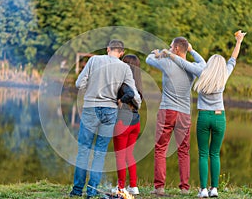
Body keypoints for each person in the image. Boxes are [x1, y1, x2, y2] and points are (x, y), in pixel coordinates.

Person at [162, 31, 246, 198]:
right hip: (219, 117)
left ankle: (203, 190)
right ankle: (214, 188)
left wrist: (169, 54)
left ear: (210, 65)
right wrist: (239, 41)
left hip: (204, 117)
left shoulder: (202, 73)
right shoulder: (225, 74)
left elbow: (182, 62)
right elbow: (233, 58)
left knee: (203, 154)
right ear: (221, 66)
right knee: (215, 153)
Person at [69, 40, 141, 198]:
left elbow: (79, 83)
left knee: (83, 150)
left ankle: (76, 190)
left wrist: (91, 87)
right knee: (100, 152)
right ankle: (92, 191)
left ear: (108, 49)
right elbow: (134, 94)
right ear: (121, 52)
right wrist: (128, 103)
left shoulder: (94, 60)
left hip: (90, 109)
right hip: (110, 111)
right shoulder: (124, 68)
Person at [145, 37, 206, 195]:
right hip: (184, 113)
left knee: (160, 148)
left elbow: (148, 59)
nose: (169, 48)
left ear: (177, 49)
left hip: (167, 111)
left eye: (171, 46)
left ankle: (159, 187)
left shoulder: (167, 63)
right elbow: (204, 65)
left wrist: (159, 54)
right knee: (184, 150)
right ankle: (184, 188)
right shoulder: (193, 68)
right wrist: (192, 50)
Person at [111, 54, 143, 195]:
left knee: (120, 156)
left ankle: (121, 187)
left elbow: (128, 95)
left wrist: (120, 101)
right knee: (129, 155)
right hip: (135, 122)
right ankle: (134, 186)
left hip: (122, 123)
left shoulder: (125, 84)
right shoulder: (138, 85)